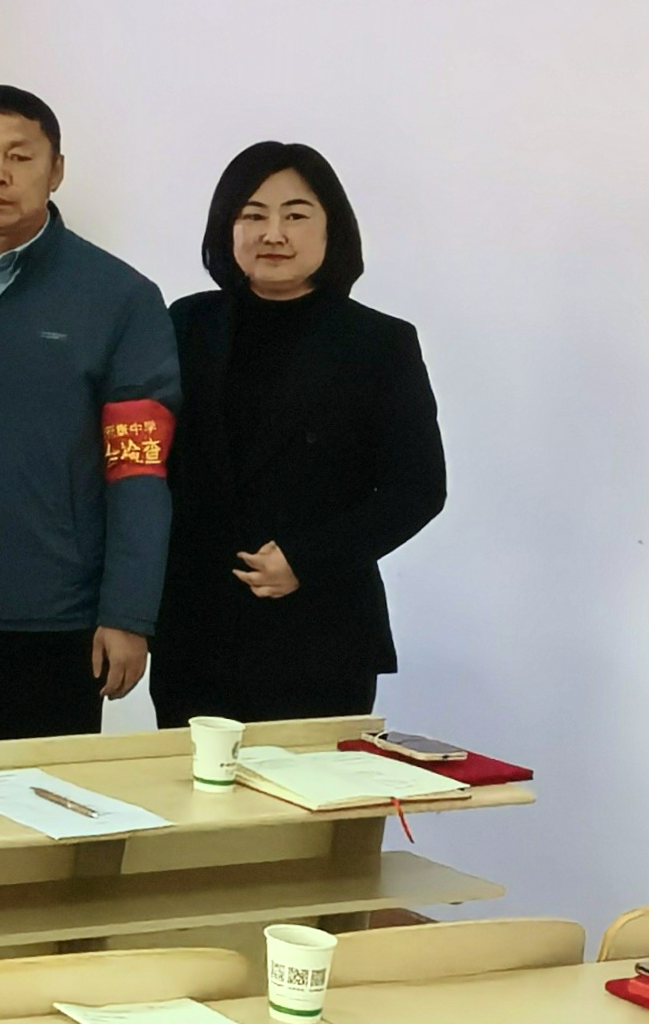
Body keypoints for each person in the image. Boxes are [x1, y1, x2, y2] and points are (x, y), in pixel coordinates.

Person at [0, 88, 181, 747]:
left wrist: (129, 613)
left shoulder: (119, 299)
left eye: (19, 156)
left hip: (54, 621)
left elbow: (138, 472)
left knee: (39, 804)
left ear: (57, 171)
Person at [156, 143, 445, 725]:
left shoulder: (379, 343)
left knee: (307, 786)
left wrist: (306, 560)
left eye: (295, 214)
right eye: (253, 214)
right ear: (226, 227)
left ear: (331, 228)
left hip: (320, 630)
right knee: (197, 784)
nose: (273, 233)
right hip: (195, 629)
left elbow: (417, 489)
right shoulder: (185, 324)